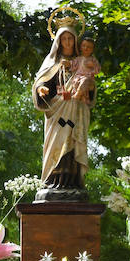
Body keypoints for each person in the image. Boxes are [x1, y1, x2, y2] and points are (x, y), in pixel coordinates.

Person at [33, 25, 94, 191]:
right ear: (59, 41)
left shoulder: (81, 62)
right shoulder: (51, 62)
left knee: (73, 144)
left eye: (70, 38)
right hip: (56, 112)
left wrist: (89, 85)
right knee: (56, 145)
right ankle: (53, 181)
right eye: (64, 39)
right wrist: (41, 89)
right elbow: (42, 81)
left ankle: (73, 182)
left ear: (75, 40)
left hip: (75, 110)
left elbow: (90, 84)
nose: (67, 42)